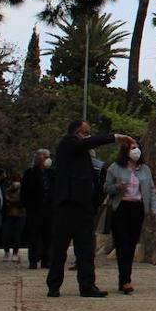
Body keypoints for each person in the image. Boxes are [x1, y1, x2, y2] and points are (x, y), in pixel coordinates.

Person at [46, 120, 135, 298]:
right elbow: (87, 143)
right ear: (77, 133)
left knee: (86, 248)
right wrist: (115, 137)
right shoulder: (68, 143)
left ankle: (87, 285)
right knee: (59, 248)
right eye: (86, 133)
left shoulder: (83, 153)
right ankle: (54, 285)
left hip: (84, 206)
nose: (88, 137)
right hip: (67, 205)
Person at [102, 142, 156, 293]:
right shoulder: (115, 168)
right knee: (122, 243)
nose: (136, 151)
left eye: (137, 147)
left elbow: (151, 189)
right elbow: (106, 187)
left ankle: (126, 278)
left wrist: (154, 208)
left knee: (131, 244)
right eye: (132, 148)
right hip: (121, 208)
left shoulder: (145, 169)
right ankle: (125, 280)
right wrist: (117, 187)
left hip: (138, 208)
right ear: (126, 151)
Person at [20, 149, 53, 269]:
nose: (48, 159)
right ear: (39, 158)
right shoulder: (30, 173)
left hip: (49, 210)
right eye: (46, 157)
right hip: (35, 209)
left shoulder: (51, 173)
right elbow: (24, 192)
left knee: (48, 236)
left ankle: (46, 259)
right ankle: (33, 260)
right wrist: (28, 206)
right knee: (34, 236)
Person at [1, 175, 26, 262]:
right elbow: (5, 200)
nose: (16, 182)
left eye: (18, 180)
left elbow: (21, 201)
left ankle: (15, 253)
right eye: (15, 180)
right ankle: (7, 252)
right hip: (9, 216)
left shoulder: (23, 190)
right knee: (6, 235)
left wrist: (11, 201)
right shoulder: (8, 190)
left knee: (17, 235)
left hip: (20, 215)